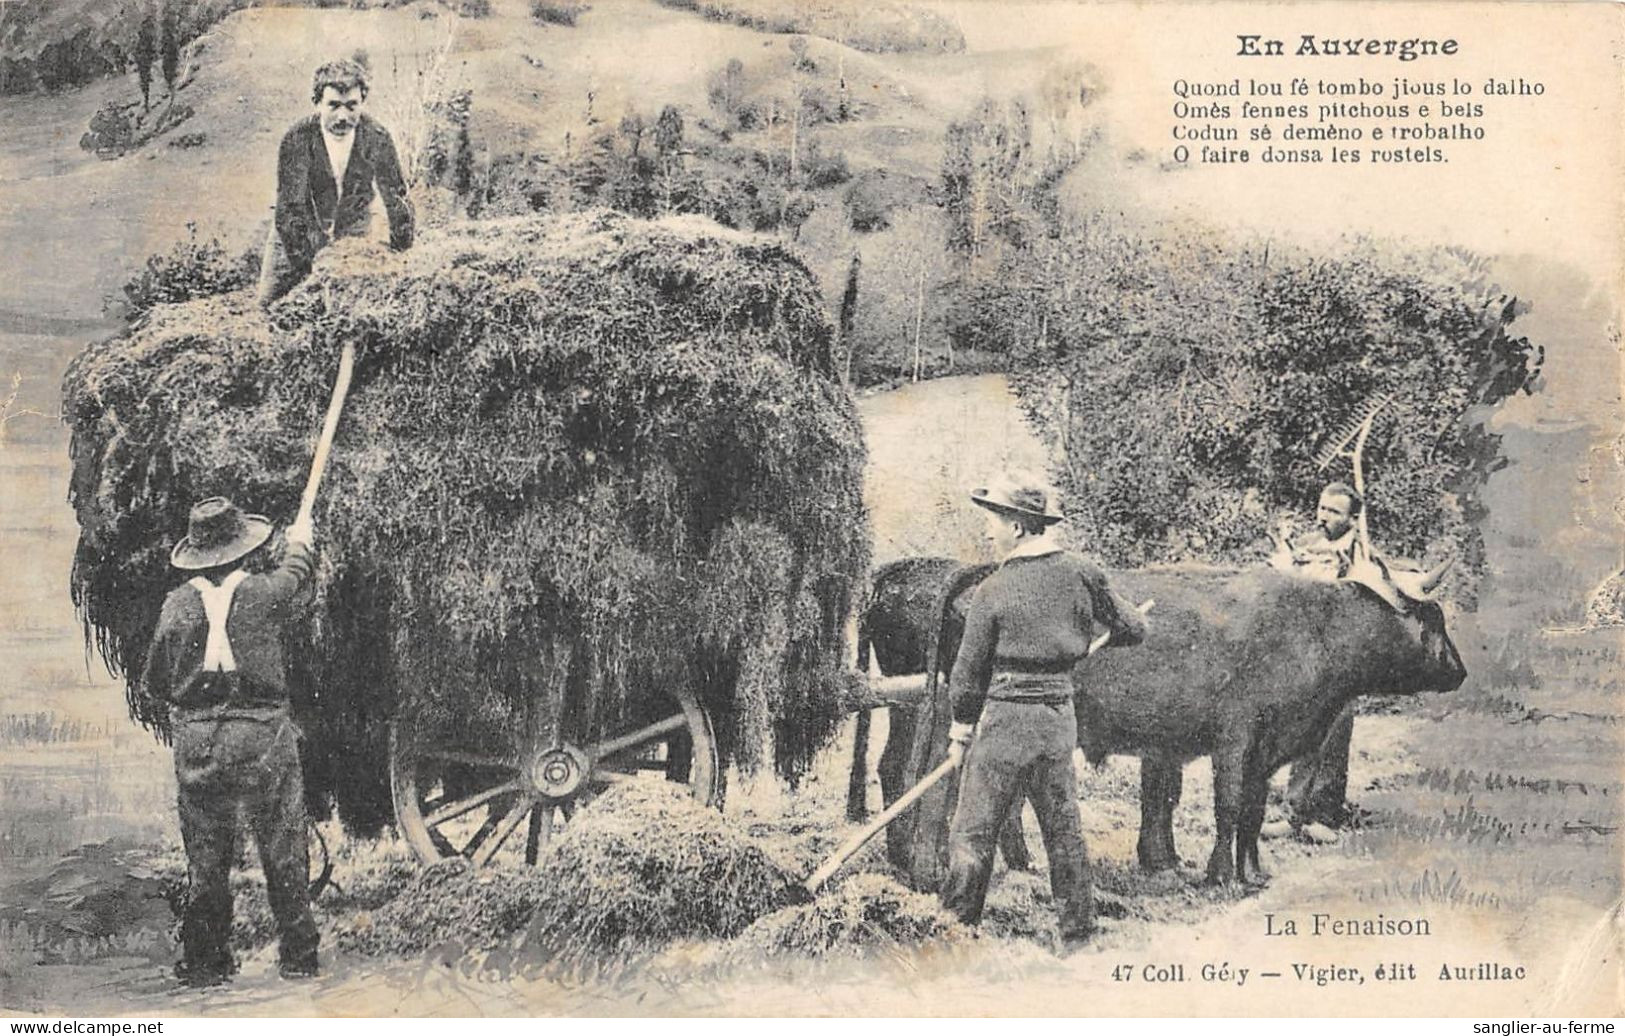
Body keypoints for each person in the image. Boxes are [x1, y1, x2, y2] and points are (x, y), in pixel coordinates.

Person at [938, 477, 1146, 949]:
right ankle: (1078, 937)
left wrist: (960, 732)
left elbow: (967, 674)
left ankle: (955, 931)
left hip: (1006, 721)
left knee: (972, 830)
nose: (989, 533)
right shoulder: (1083, 573)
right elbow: (1134, 627)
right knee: (1063, 829)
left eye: (993, 522)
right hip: (1057, 721)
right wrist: (1100, 638)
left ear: (1016, 525)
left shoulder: (992, 590)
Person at [140, 498, 319, 986]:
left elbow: (153, 684)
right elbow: (296, 571)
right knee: (282, 850)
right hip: (262, 739)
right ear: (244, 550)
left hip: (198, 748)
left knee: (207, 861)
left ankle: (205, 967)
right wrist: (300, 543)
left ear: (197, 556)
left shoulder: (175, 608)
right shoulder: (265, 593)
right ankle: (300, 961)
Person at [259, 59, 414, 305]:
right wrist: (313, 266)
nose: (343, 116)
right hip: (297, 231)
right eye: (333, 106)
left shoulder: (377, 137)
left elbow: (397, 199)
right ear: (317, 103)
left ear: (362, 101)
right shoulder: (297, 139)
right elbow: (291, 208)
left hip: (352, 231)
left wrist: (401, 255)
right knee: (270, 306)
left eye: (352, 106)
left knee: (355, 307)